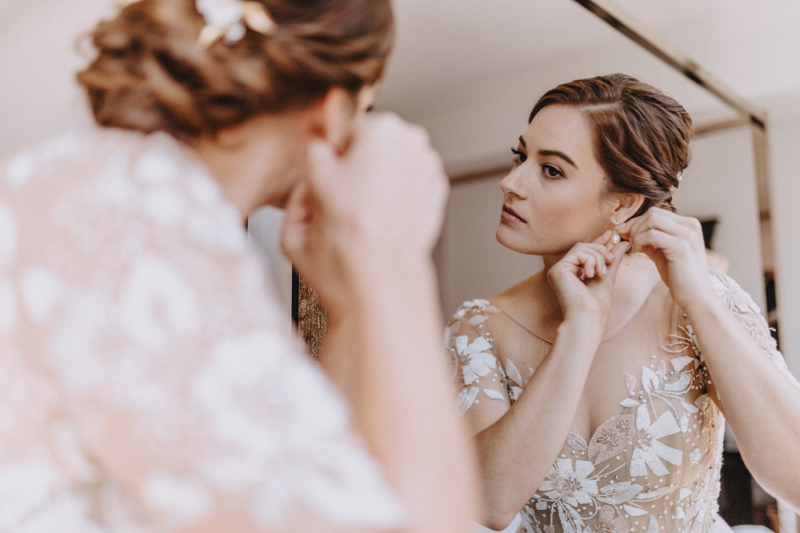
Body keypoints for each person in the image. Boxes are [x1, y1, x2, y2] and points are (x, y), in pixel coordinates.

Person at [0, 0, 479, 531]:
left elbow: (320, 478)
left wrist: (342, 308)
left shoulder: (114, 193)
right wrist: (394, 255)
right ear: (335, 110)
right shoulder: (135, 223)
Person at [445, 74, 800, 533]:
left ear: (622, 204)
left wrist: (700, 300)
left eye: (550, 169)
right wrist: (579, 331)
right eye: (521, 156)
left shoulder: (697, 301)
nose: (511, 182)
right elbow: (487, 505)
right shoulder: (478, 328)